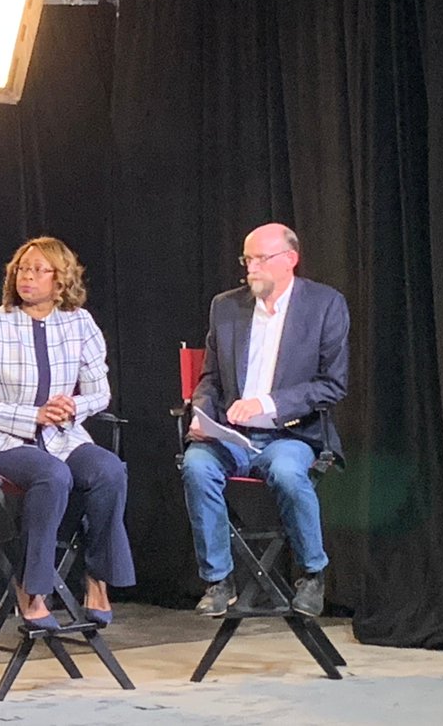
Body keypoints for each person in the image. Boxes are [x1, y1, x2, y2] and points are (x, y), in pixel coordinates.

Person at [0, 236, 135, 630]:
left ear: (61, 279)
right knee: (52, 474)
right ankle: (32, 588)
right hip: (1, 440)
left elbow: (100, 393)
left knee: (109, 470)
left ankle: (97, 578)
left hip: (63, 436)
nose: (28, 277)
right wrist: (32, 415)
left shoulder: (80, 322)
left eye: (39, 270)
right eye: (23, 269)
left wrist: (71, 407)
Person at [182, 223, 349, 618]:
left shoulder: (324, 304)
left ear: (290, 259)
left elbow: (332, 384)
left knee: (289, 473)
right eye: (247, 259)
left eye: (260, 259)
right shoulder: (226, 306)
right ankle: (219, 580)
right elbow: (210, 378)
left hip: (291, 434)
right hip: (232, 436)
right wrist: (201, 414)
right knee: (196, 466)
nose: (251, 268)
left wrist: (267, 403)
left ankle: (312, 574)